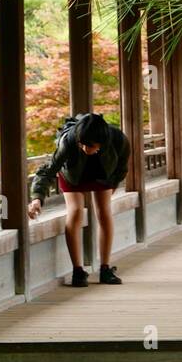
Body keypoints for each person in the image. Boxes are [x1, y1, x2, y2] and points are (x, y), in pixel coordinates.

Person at [27, 112, 130, 287]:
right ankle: (78, 271)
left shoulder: (118, 139)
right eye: (82, 144)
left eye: (90, 146)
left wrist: (113, 186)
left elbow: (122, 167)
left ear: (101, 143)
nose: (85, 148)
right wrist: (37, 198)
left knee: (104, 212)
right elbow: (48, 171)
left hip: (104, 173)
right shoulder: (68, 141)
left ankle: (105, 269)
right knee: (75, 212)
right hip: (72, 174)